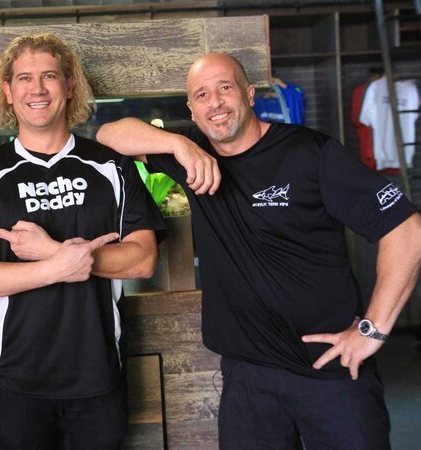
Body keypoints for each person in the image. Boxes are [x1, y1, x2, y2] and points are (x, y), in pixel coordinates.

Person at [96, 52, 421, 449]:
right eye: (201, 95)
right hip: (247, 378)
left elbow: (407, 228)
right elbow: (109, 134)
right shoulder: (192, 156)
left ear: (250, 95)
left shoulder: (311, 154)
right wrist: (178, 144)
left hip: (331, 371)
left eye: (225, 88)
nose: (214, 102)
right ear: (192, 110)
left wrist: (373, 330)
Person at [0, 33, 164, 449]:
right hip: (16, 376)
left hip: (98, 373)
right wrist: (57, 266)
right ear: (8, 91)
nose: (37, 89)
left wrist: (52, 252)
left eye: (49, 76)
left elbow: (144, 259)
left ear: (69, 85)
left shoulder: (110, 167)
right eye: (24, 78)